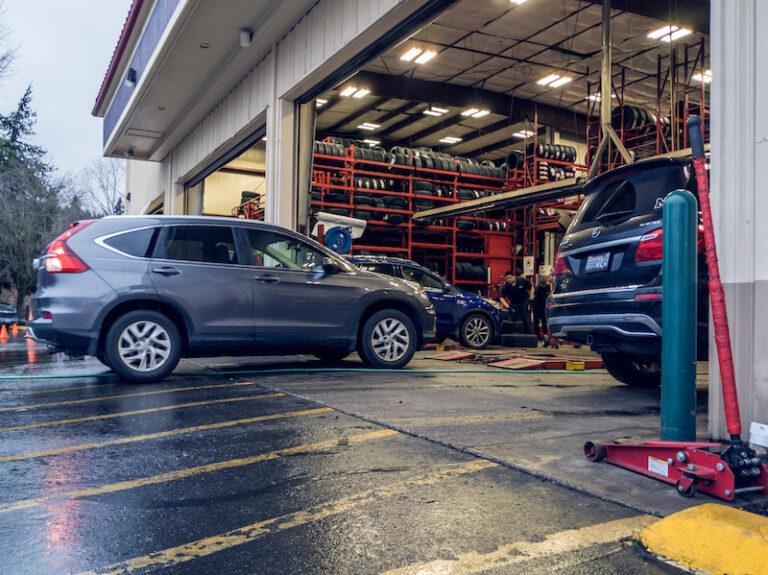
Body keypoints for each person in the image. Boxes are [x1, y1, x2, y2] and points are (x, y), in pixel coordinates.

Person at [532, 275, 550, 340]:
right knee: (536, 322)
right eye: (542, 285)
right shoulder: (537, 289)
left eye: (544, 285)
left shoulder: (548, 287)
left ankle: (545, 335)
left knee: (544, 322)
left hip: (544, 307)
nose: (543, 286)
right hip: (537, 307)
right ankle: (537, 336)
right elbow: (536, 299)